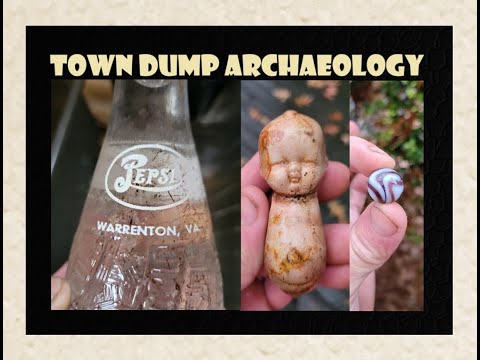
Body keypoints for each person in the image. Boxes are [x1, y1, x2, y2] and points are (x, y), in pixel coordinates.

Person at [240, 121, 407, 311]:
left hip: (313, 271)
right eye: (281, 162)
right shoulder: (274, 202)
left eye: (308, 162)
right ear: (262, 169)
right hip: (272, 275)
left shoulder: (310, 199)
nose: (294, 171)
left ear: (324, 164)